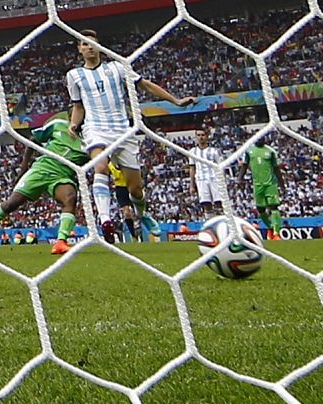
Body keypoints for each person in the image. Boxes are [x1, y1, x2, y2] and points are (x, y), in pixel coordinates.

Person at [67, 28, 195, 243]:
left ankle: (142, 215)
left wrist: (176, 101)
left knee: (135, 189)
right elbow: (77, 106)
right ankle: (106, 221)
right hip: (95, 128)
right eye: (84, 44)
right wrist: (73, 124)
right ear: (79, 49)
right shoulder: (74, 75)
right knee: (100, 166)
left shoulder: (117, 67)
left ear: (100, 46)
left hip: (123, 130)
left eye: (92, 43)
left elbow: (145, 85)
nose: (89, 47)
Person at [0, 114, 85, 255]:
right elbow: (33, 139)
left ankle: (60, 242)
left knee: (70, 198)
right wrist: (24, 167)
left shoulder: (90, 140)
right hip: (41, 169)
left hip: (62, 176)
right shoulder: (58, 125)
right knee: (12, 204)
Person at [237, 136, 285, 240]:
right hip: (257, 185)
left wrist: (282, 185)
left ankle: (276, 234)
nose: (260, 140)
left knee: (273, 207)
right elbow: (244, 165)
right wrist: (240, 178)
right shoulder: (249, 151)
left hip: (270, 184)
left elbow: (277, 169)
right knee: (260, 209)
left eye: (262, 138)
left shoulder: (271, 151)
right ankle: (271, 227)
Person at [188, 128, 223, 220]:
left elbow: (220, 166)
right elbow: (192, 168)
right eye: (198, 135)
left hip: (214, 179)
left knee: (218, 202)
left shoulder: (214, 151)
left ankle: (221, 221)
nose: (201, 137)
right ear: (195, 137)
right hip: (201, 180)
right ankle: (210, 222)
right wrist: (192, 185)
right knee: (206, 203)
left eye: (203, 135)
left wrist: (222, 181)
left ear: (207, 137)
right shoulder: (192, 152)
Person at [109, 161, 140, 242]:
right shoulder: (110, 165)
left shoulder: (125, 161)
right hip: (120, 189)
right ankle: (133, 235)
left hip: (130, 186)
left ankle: (141, 228)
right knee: (126, 213)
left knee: (138, 211)